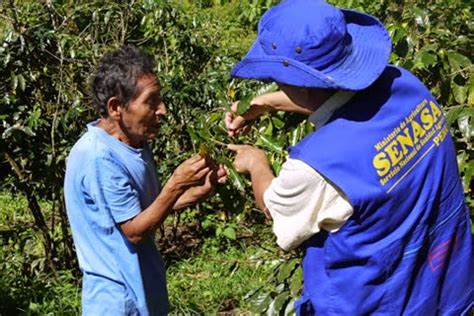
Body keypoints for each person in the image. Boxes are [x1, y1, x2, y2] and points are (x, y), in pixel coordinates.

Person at [225, 0, 473, 314]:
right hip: (444, 286)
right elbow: (340, 100)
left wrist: (256, 163)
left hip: (375, 303)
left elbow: (277, 212)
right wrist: (266, 103)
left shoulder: (317, 166)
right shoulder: (406, 86)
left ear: (293, 81)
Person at [64, 46, 226, 315]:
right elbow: (135, 231)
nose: (162, 110)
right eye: (151, 101)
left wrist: (201, 189)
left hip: (142, 292)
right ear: (116, 107)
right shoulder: (99, 158)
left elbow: (149, 209)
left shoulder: (135, 142)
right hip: (118, 301)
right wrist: (176, 183)